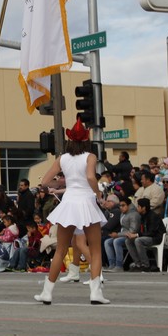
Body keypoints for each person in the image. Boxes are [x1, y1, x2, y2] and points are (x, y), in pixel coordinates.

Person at [33, 118, 109, 305]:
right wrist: (98, 193)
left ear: (69, 140)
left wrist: (60, 183)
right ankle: (95, 293)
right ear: (86, 140)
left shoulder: (62, 158)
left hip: (68, 203)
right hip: (86, 203)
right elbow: (91, 177)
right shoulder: (90, 157)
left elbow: (44, 182)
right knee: (96, 250)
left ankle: (47, 292)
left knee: (60, 250)